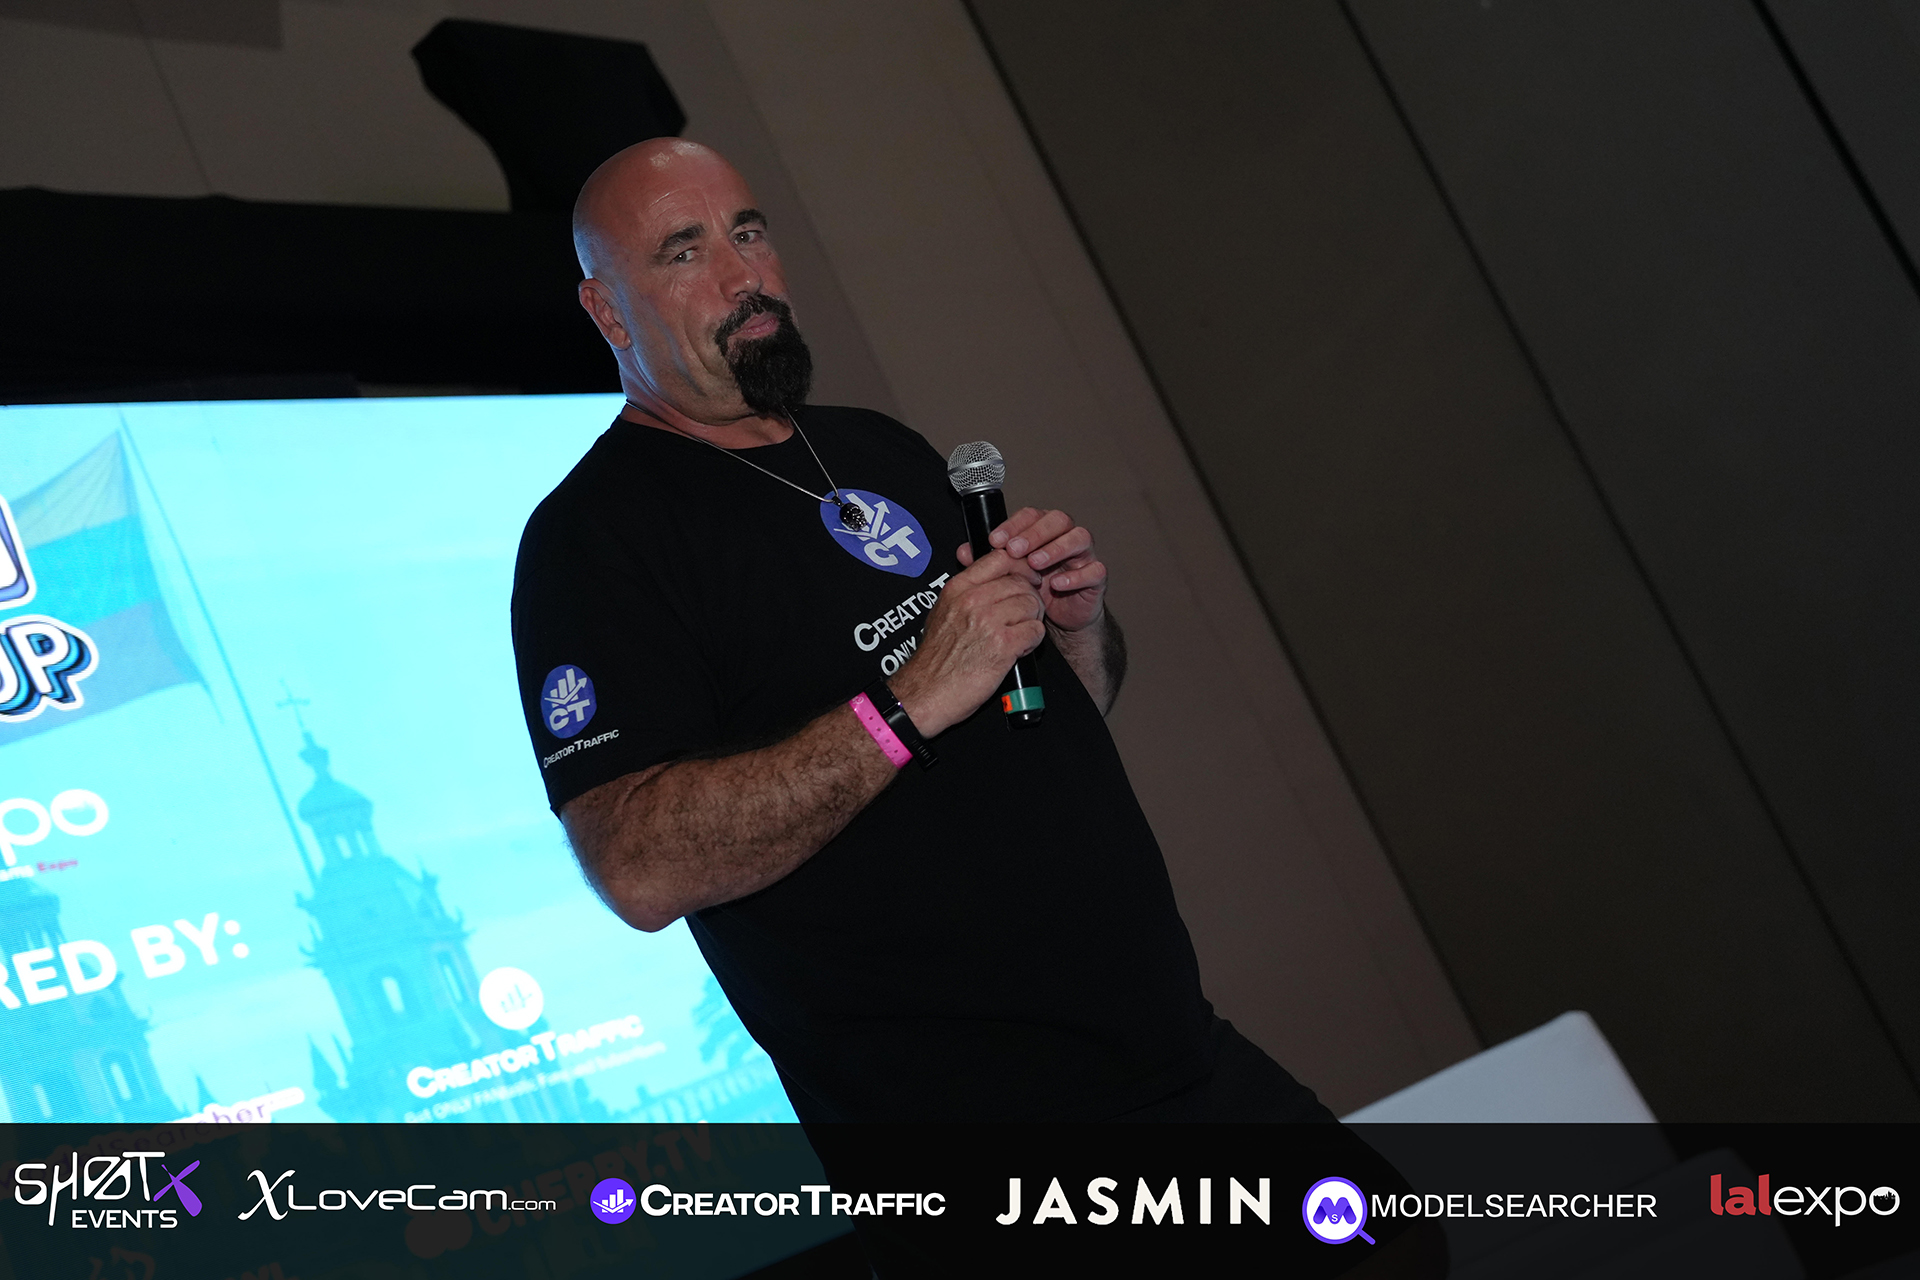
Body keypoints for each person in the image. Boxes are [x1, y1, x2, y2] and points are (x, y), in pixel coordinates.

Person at [510, 137, 1332, 1126]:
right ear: (607, 310)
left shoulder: (878, 444)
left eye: (749, 233)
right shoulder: (592, 541)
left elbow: (1046, 721)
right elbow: (638, 867)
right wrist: (908, 702)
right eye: (685, 252)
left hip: (1181, 1057)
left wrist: (1067, 630)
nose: (743, 275)